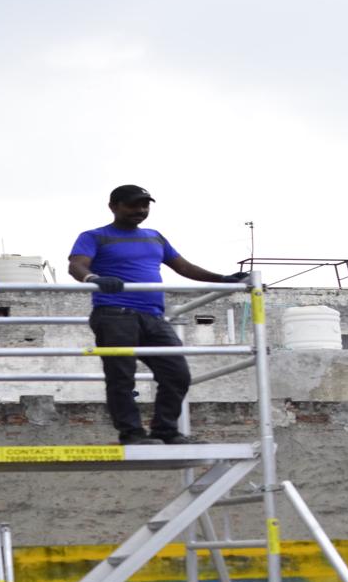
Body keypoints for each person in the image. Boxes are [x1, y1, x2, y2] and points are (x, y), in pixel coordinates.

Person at [69, 184, 248, 445]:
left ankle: (166, 431)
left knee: (177, 374)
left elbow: (184, 267)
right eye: (133, 205)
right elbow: (76, 265)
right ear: (113, 206)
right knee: (122, 377)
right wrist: (93, 278)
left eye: (145, 205)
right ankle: (132, 434)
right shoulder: (95, 236)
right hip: (114, 314)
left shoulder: (154, 237)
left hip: (154, 317)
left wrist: (223, 279)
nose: (140, 210)